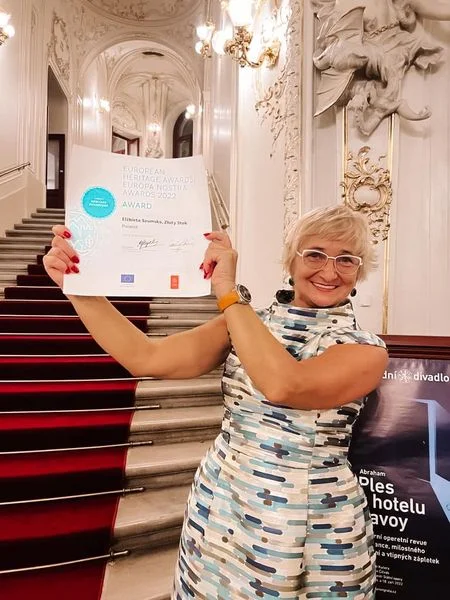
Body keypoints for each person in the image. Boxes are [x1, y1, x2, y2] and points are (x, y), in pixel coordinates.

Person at [43, 204, 388, 599]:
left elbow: (284, 385)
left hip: (309, 517)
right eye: (315, 254)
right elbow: (147, 357)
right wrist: (80, 287)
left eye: (346, 259)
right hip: (223, 497)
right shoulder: (245, 321)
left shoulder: (366, 349)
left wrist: (227, 292)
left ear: (359, 271)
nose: (329, 271)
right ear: (290, 260)